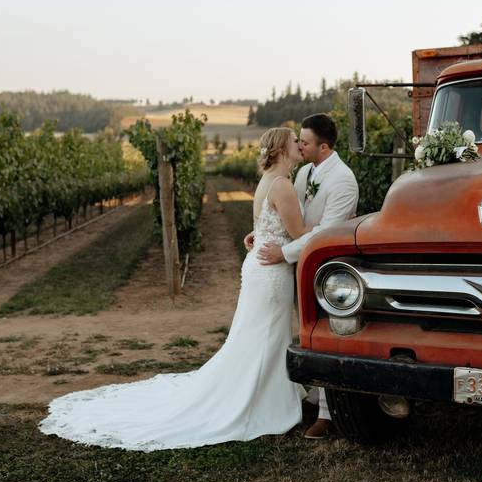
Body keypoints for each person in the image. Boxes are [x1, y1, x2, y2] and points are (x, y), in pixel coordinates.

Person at [39, 127, 312, 450]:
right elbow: (299, 234)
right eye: (295, 141)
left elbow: (264, 228)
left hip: (259, 265)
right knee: (265, 335)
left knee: (255, 335)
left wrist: (261, 239)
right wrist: (335, 226)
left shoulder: (267, 180)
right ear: (282, 148)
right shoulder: (282, 185)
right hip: (271, 269)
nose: (299, 145)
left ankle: (268, 394)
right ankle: (263, 402)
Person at [246, 113, 360, 439]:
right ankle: (313, 393)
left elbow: (328, 233)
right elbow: (285, 217)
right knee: (307, 331)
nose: (300, 145)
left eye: (305, 142)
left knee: (325, 333)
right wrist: (265, 236)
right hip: (295, 265)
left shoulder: (343, 180)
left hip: (326, 270)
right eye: (297, 141)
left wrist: (283, 251)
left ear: (322, 147)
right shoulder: (302, 172)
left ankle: (327, 413)